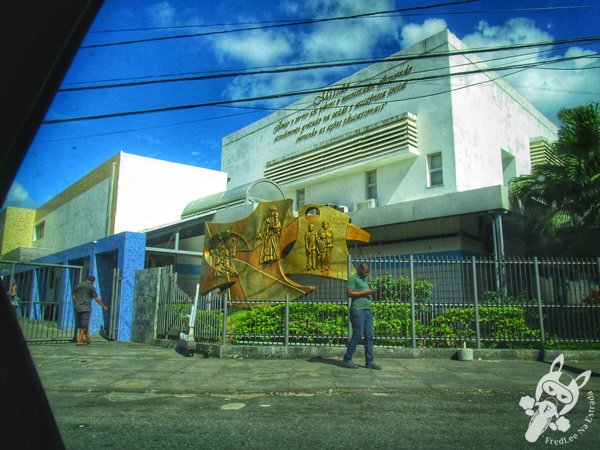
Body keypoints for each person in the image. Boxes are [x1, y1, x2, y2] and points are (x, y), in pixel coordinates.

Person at [342, 263, 382, 370]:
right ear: (360, 269)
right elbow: (349, 293)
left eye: (368, 272)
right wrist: (366, 292)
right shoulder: (353, 278)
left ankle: (370, 361)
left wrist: (370, 292)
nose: (367, 274)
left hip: (367, 311)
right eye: (365, 272)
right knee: (357, 335)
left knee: (369, 336)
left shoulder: (364, 280)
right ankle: (347, 359)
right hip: (358, 311)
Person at [72, 275, 108, 346]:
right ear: (93, 281)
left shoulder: (79, 285)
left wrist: (77, 302)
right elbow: (96, 299)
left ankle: (88, 339)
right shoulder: (91, 287)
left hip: (77, 307)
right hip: (85, 308)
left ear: (87, 279)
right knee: (84, 324)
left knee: (83, 324)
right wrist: (104, 306)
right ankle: (79, 340)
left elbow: (73, 295)